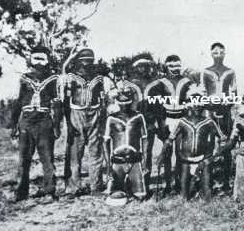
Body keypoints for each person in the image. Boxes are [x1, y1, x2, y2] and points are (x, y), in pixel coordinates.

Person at [11, 46, 61, 202]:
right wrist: (14, 125)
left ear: (47, 61)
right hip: (26, 122)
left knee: (47, 158)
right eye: (36, 59)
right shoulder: (24, 79)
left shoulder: (53, 79)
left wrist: (57, 125)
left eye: (42, 59)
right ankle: (21, 192)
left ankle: (49, 191)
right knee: (24, 159)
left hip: (44, 121)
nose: (39, 63)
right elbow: (18, 102)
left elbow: (57, 104)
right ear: (30, 60)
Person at [167, 84, 226, 201]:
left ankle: (204, 194)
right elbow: (170, 139)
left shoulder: (209, 122)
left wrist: (213, 156)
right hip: (185, 160)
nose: (196, 107)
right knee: (184, 195)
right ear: (188, 106)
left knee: (207, 193)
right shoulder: (182, 121)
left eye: (199, 104)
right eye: (193, 104)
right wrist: (164, 151)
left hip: (204, 159)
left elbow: (223, 138)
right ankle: (186, 192)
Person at [116, 53, 165, 190]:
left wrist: (160, 125)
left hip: (149, 124)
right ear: (134, 67)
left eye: (146, 65)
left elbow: (160, 107)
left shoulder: (157, 83)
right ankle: (127, 184)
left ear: (150, 66)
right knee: (128, 151)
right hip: (130, 124)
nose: (143, 69)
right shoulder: (126, 84)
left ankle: (144, 184)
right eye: (139, 65)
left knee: (146, 153)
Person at [62, 48, 107, 198]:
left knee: (96, 152)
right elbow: (65, 102)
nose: (87, 65)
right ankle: (73, 188)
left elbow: (102, 100)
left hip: (95, 114)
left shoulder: (98, 78)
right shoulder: (72, 77)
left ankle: (96, 187)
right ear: (79, 61)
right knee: (75, 153)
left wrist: (102, 118)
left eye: (90, 61)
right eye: (84, 61)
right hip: (76, 113)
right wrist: (68, 124)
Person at [201, 42, 237, 195]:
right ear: (211, 54)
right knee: (209, 146)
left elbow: (234, 92)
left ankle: (226, 183)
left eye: (221, 52)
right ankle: (208, 183)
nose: (218, 55)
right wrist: (210, 102)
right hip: (210, 113)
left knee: (226, 146)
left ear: (225, 54)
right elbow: (203, 92)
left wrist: (227, 102)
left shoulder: (230, 71)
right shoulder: (205, 71)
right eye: (215, 53)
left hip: (226, 113)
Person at [154, 54, 194, 194]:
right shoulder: (160, 83)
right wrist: (161, 124)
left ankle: (179, 183)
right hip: (167, 119)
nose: (175, 69)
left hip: (182, 119)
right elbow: (158, 107)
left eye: (178, 66)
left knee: (180, 153)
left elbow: (193, 103)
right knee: (166, 153)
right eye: (171, 66)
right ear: (166, 66)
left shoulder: (187, 81)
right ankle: (167, 184)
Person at [102, 85, 148, 206]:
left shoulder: (139, 117)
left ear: (131, 102)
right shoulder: (111, 118)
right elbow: (105, 142)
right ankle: (122, 186)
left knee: (141, 197)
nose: (124, 106)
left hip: (134, 160)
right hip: (117, 161)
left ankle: (130, 185)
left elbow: (144, 139)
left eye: (127, 103)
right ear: (117, 103)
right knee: (112, 197)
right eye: (121, 103)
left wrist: (144, 161)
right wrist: (108, 166)